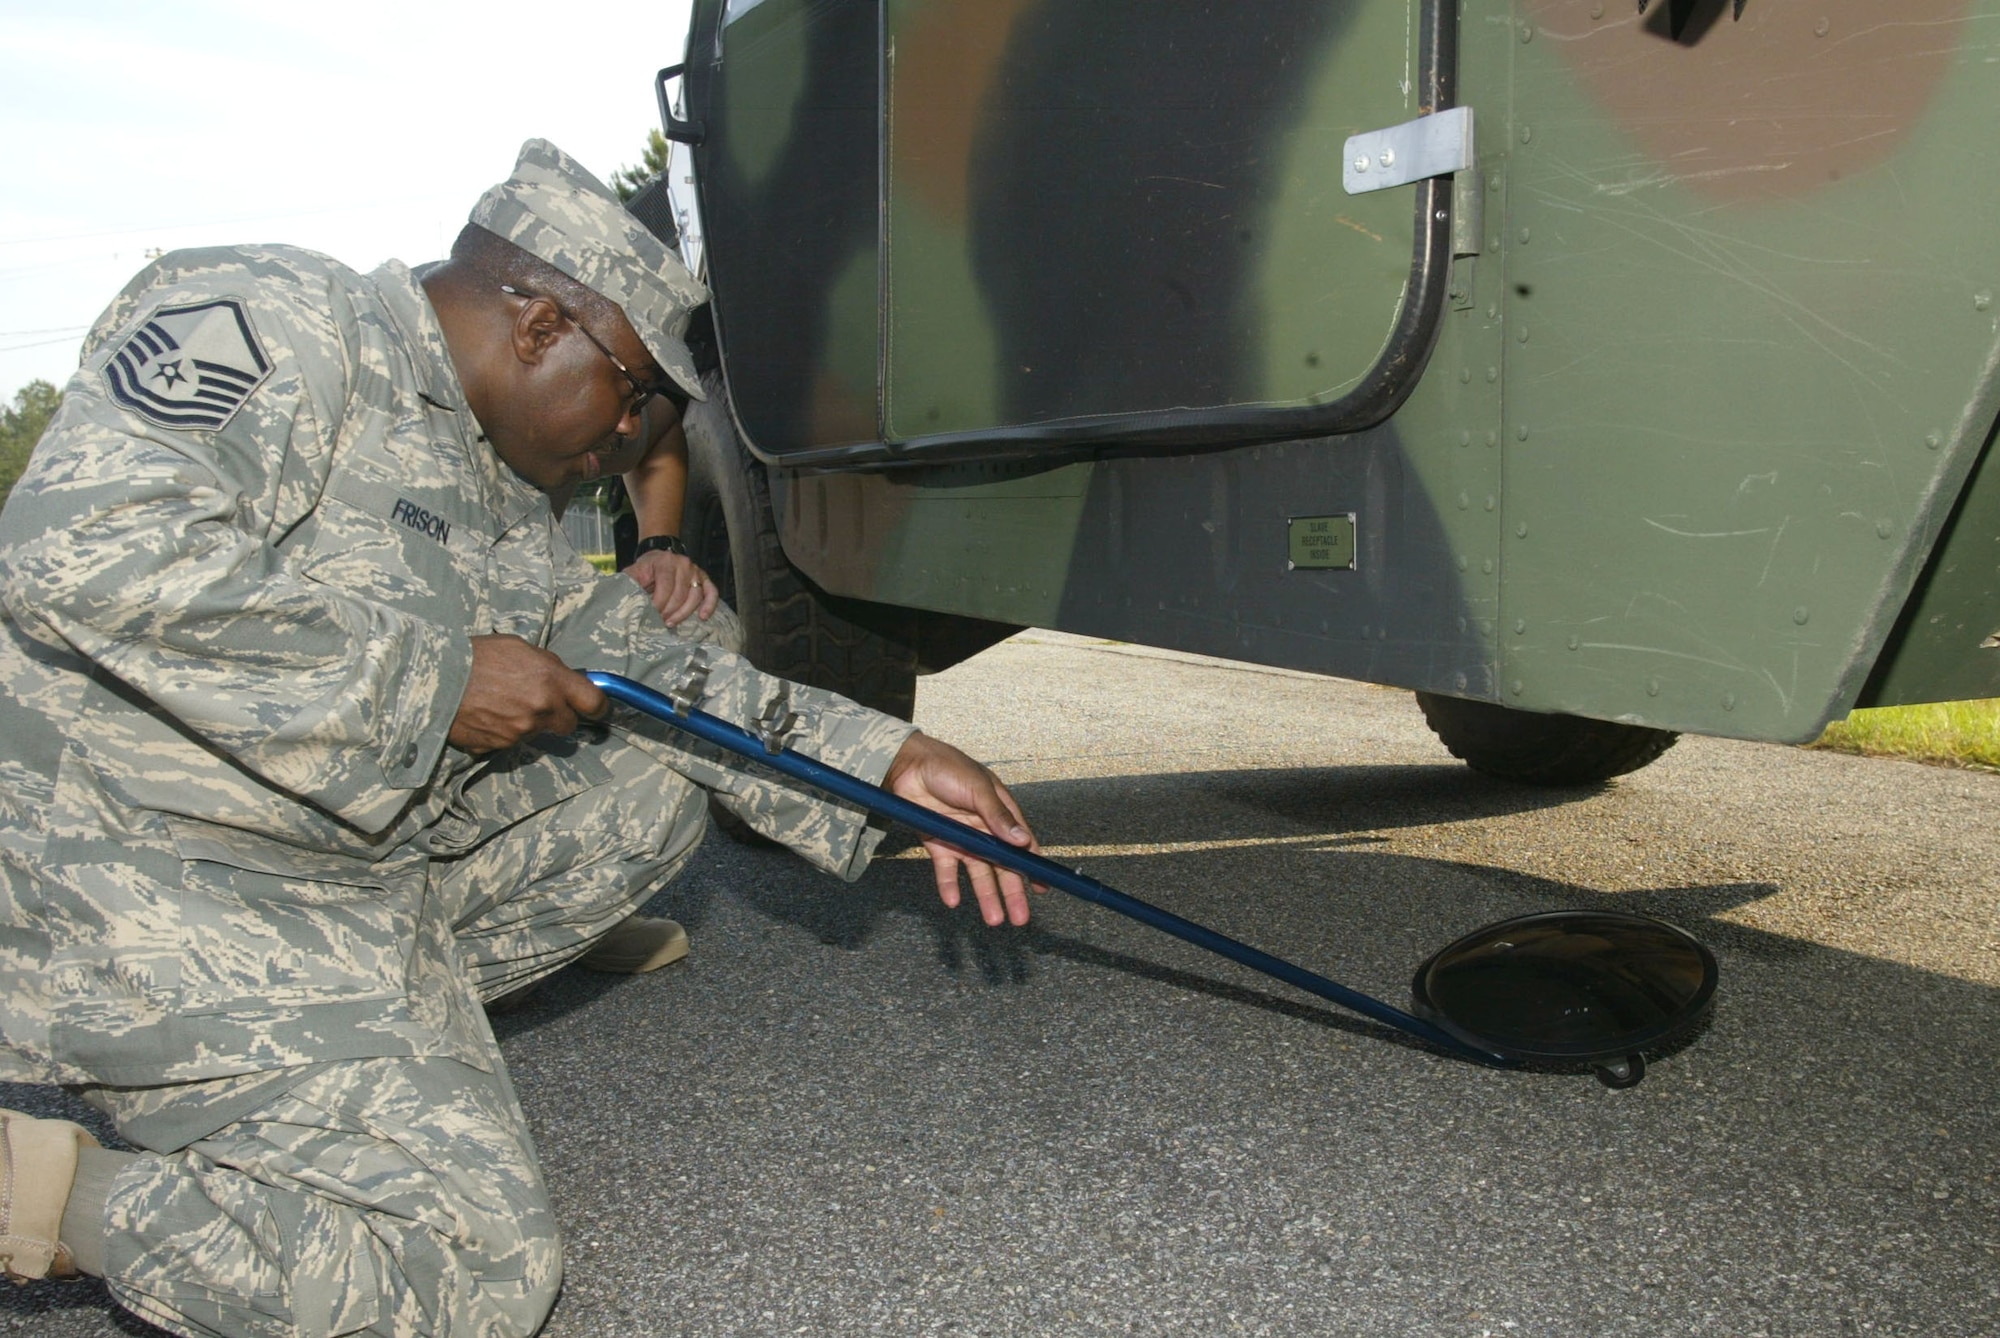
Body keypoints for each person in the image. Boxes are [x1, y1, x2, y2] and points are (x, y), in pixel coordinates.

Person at [0, 138, 1039, 1338]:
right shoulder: (280, 315)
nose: (638, 439)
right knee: (464, 1273)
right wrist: (433, 683)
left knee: (649, 776)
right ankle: (60, 1187)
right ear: (542, 322)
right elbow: (82, 549)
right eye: (640, 394)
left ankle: (356, 1049)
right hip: (126, 871)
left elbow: (650, 670)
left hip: (325, 873)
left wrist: (885, 764)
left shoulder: (496, 489)